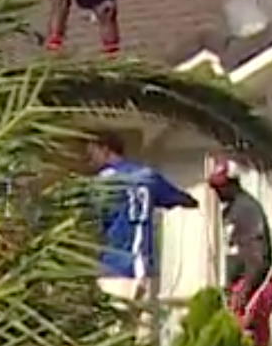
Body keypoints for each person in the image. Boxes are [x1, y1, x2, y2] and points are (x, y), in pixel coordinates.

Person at [83, 131, 195, 331]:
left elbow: (93, 218)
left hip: (114, 266)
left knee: (113, 334)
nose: (89, 160)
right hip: (144, 267)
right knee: (142, 334)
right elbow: (182, 199)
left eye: (92, 154)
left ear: (106, 150)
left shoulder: (103, 182)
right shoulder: (147, 176)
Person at [205, 155, 272, 346]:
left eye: (221, 186)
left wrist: (246, 289)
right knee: (243, 342)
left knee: (250, 340)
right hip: (242, 282)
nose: (217, 193)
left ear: (233, 182)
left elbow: (259, 255)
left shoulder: (247, 208)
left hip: (256, 282)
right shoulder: (232, 209)